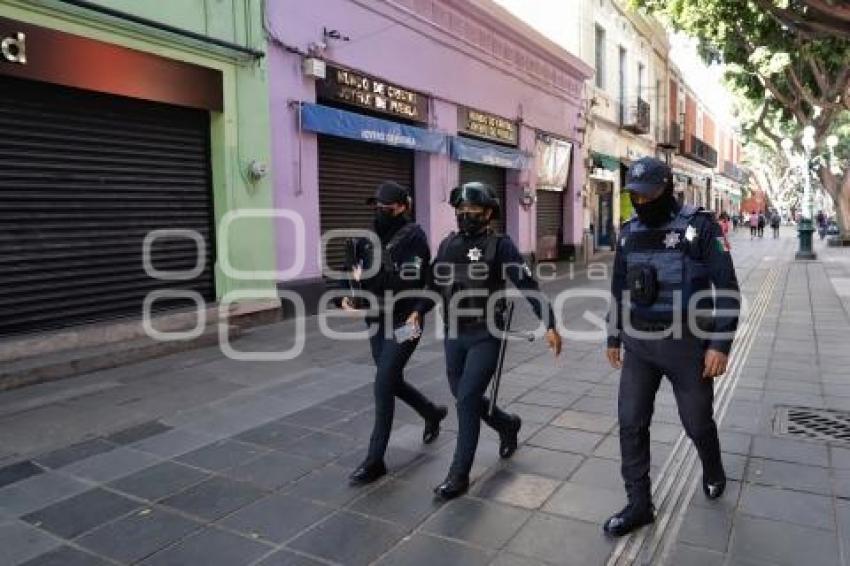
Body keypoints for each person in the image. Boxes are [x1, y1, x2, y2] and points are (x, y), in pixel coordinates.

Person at [603, 157, 740, 537]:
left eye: (649, 194)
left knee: (696, 422)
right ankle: (638, 504)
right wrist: (613, 333)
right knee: (631, 423)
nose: (641, 202)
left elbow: (726, 287)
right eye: (636, 196)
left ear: (668, 188)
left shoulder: (699, 226)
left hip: (687, 345)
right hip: (639, 344)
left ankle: (712, 467)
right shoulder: (629, 231)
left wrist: (720, 344)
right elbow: (619, 287)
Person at [408, 182, 563, 500]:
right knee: (464, 395)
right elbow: (435, 284)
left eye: (473, 212)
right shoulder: (448, 244)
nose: (465, 217)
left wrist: (549, 322)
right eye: (461, 211)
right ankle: (507, 424)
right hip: (453, 332)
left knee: (466, 401)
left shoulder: (500, 245)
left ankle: (458, 474)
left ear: (489, 213)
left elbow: (526, 284)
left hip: (486, 334)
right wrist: (418, 311)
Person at [342, 181, 448, 485]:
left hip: (406, 322)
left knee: (383, 382)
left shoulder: (414, 237)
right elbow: (347, 273)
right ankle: (431, 412)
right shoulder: (364, 239)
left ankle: (375, 460)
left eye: (386, 207)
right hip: (376, 321)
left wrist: (416, 309)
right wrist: (346, 294)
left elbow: (420, 279)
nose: (380, 211)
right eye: (376, 206)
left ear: (402, 206)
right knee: (391, 380)